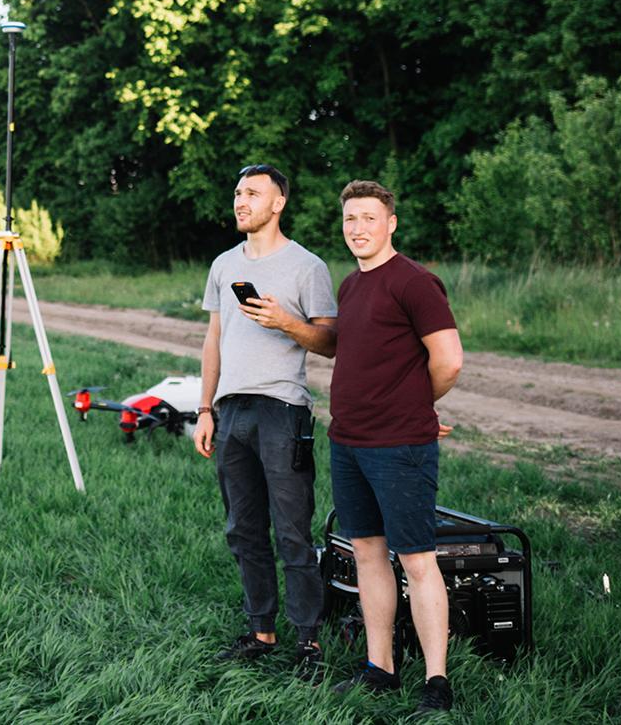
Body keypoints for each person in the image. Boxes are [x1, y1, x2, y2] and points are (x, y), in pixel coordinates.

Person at [192, 163, 337, 680]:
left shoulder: (307, 267)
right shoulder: (223, 264)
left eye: (252, 193)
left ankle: (309, 641)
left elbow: (330, 342)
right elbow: (214, 340)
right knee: (243, 529)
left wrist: (285, 322)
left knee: (293, 532)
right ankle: (261, 631)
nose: (240, 200)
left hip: (282, 410)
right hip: (230, 412)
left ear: (278, 203)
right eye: (237, 192)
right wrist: (205, 408)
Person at [326, 179, 464, 714]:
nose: (357, 229)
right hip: (349, 442)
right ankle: (378, 667)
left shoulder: (415, 282)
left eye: (368, 218)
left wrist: (414, 409)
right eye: (349, 219)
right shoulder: (350, 286)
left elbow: (448, 360)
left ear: (391, 223)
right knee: (366, 552)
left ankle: (436, 681)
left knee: (416, 558)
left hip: (398, 445)